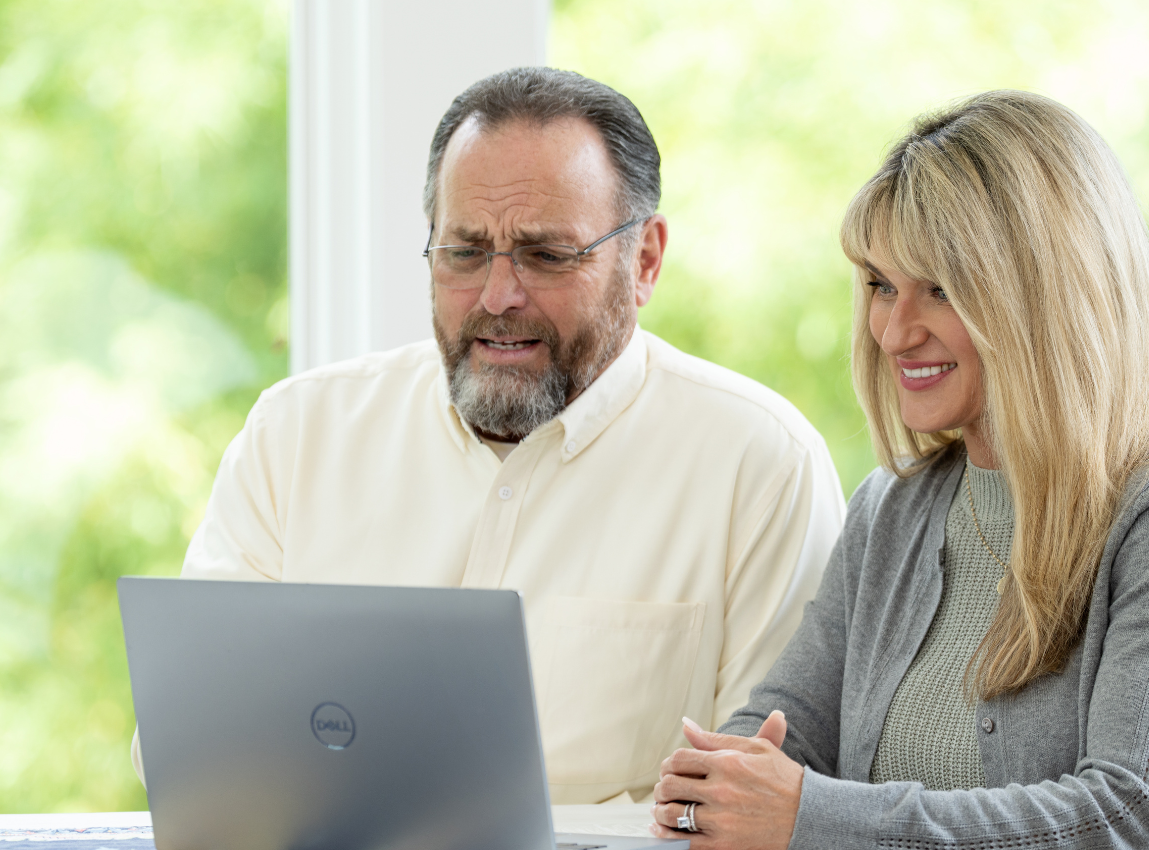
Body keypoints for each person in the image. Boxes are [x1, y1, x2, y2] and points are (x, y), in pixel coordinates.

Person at [647, 91, 1149, 850]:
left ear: (1044, 293)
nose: (896, 330)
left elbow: (1122, 820)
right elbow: (790, 724)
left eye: (942, 287)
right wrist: (723, 777)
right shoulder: (893, 507)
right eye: (882, 285)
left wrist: (807, 814)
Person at [131, 67, 845, 804]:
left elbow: (757, 818)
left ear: (645, 260)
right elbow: (183, 752)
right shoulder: (298, 434)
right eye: (465, 253)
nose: (499, 297)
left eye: (546, 255)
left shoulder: (761, 465)